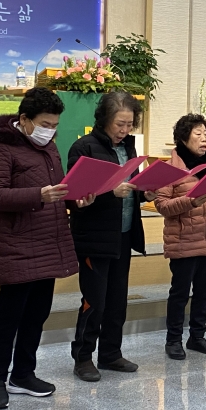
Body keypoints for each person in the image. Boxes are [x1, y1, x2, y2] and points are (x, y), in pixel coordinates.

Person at [0, 87, 94, 410]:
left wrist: (76, 200)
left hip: (49, 242)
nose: (50, 131)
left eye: (55, 125)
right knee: (9, 318)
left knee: (36, 315)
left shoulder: (49, 147)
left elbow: (58, 191)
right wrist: (38, 195)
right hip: (17, 245)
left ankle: (23, 374)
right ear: (24, 119)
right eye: (45, 124)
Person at [68, 93, 156, 382]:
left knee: (117, 300)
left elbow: (131, 190)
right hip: (94, 237)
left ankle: (110, 353)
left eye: (130, 124)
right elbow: (73, 196)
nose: (125, 130)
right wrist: (109, 193)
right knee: (94, 301)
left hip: (124, 234)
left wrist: (146, 193)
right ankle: (83, 357)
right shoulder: (84, 147)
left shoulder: (129, 147)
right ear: (105, 119)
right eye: (120, 124)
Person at [155, 114, 206, 360]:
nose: (204, 138)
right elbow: (162, 205)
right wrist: (190, 202)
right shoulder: (170, 169)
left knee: (203, 292)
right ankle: (173, 340)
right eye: (198, 134)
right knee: (180, 294)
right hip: (183, 241)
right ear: (183, 138)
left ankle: (197, 337)